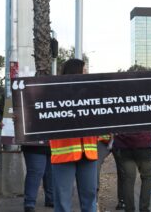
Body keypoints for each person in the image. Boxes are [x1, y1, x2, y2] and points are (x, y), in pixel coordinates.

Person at [49, 59, 98, 212]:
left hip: (88, 154)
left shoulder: (92, 93)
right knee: (63, 201)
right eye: (85, 71)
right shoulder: (54, 93)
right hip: (64, 154)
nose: (87, 74)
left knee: (90, 197)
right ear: (75, 72)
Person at [113, 131, 151, 212]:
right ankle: (144, 209)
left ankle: (129, 209)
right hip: (143, 142)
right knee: (147, 177)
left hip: (124, 144)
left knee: (128, 178)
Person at [21, 143, 54, 212]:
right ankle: (29, 203)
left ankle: (51, 199)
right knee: (35, 173)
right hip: (34, 144)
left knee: (51, 173)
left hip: (54, 144)